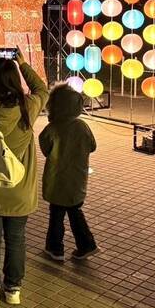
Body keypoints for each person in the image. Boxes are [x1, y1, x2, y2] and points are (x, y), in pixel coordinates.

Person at [0, 49, 48, 308]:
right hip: (19, 188)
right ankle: (13, 288)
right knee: (16, 237)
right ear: (15, 80)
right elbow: (42, 89)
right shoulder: (28, 106)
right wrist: (22, 64)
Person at [39, 84, 98, 262]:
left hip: (57, 179)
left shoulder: (53, 128)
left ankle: (55, 248)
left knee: (56, 214)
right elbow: (92, 146)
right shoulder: (82, 126)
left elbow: (45, 148)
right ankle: (86, 244)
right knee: (74, 210)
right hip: (77, 178)